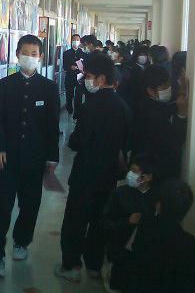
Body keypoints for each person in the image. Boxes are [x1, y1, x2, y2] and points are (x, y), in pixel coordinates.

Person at [0, 34, 61, 278]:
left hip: (35, 159)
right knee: (4, 206)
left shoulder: (48, 88)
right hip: (8, 158)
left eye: (34, 54)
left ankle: (21, 241)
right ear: (17, 55)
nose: (29, 57)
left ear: (40, 57)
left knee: (30, 205)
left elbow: (52, 125)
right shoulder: (5, 85)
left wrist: (52, 156)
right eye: (25, 53)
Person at [55, 53, 132, 283]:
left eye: (88, 76)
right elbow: (126, 141)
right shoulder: (123, 106)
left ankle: (71, 266)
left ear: (101, 78)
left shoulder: (91, 106)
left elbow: (79, 140)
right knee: (100, 221)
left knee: (76, 221)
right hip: (108, 175)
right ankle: (94, 265)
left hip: (85, 173)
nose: (86, 80)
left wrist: (72, 140)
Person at [110, 180, 195, 293]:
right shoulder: (185, 243)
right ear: (185, 211)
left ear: (158, 205)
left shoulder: (143, 226)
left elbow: (127, 256)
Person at [100, 156, 158, 268]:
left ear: (148, 177)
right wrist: (127, 222)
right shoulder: (119, 194)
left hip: (146, 255)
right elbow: (105, 222)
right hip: (119, 253)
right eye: (130, 170)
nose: (130, 174)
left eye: (135, 171)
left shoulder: (156, 198)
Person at [131, 65, 188, 178]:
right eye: (163, 88)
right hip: (154, 167)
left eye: (169, 85)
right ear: (150, 90)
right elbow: (175, 141)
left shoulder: (147, 102)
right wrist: (181, 115)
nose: (168, 89)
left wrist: (182, 90)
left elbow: (170, 107)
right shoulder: (150, 112)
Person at [73, 34, 98, 119]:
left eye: (84, 45)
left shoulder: (96, 56)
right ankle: (78, 115)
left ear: (90, 44)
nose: (83, 47)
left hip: (92, 82)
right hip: (84, 79)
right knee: (79, 96)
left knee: (89, 99)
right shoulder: (88, 54)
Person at [63, 34, 84, 116]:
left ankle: (77, 113)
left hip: (80, 76)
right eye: (74, 40)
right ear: (71, 41)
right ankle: (69, 110)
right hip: (70, 76)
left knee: (79, 95)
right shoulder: (66, 53)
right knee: (69, 94)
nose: (76, 41)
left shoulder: (82, 53)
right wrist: (70, 67)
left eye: (77, 40)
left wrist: (80, 68)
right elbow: (64, 66)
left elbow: (84, 65)